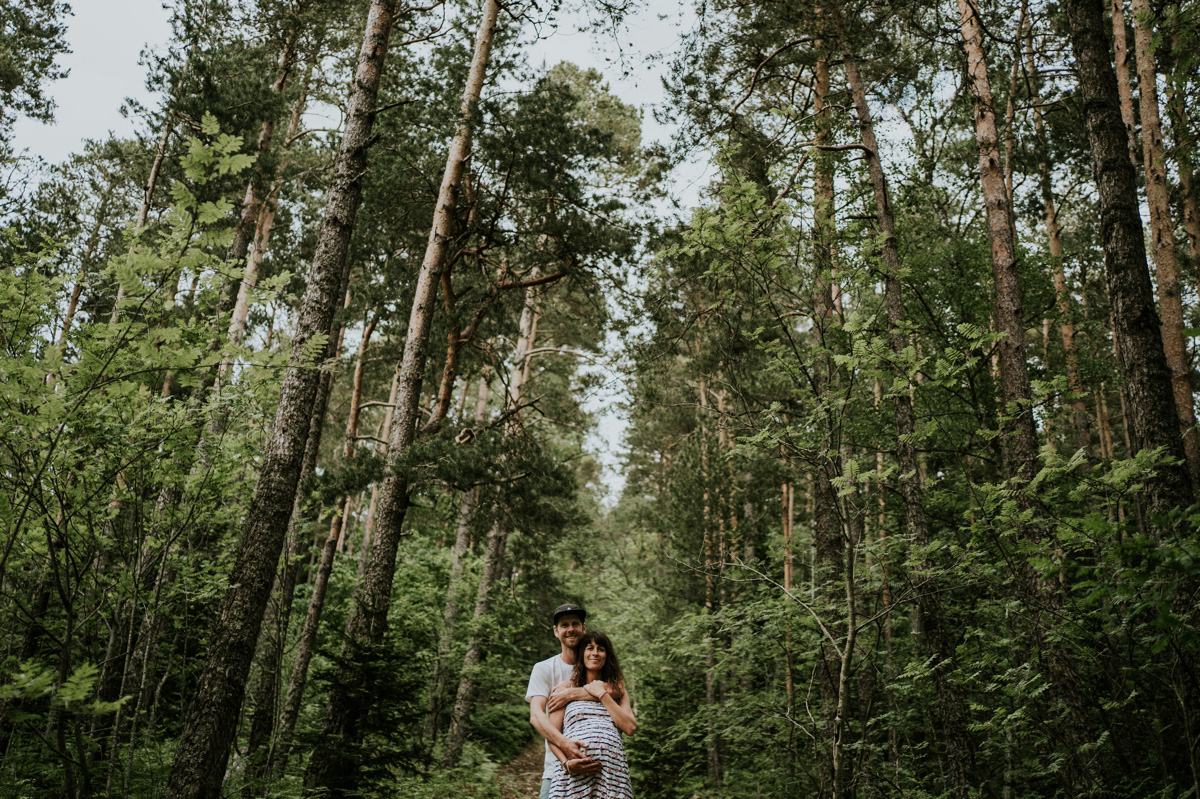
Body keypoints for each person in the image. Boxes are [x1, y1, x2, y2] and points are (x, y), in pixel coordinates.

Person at [545, 631, 636, 799]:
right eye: (589, 648)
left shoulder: (618, 690)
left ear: (606, 655)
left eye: (600, 649)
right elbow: (552, 735)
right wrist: (566, 763)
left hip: (611, 773)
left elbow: (630, 727)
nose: (595, 653)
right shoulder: (565, 688)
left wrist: (602, 695)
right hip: (573, 774)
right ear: (582, 654)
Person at [527, 604, 600, 799]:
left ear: (583, 628)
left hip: (600, 769)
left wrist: (570, 694)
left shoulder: (598, 664)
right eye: (564, 625)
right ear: (556, 631)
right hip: (557, 769)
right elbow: (536, 716)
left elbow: (615, 691)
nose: (570, 629)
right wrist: (564, 744)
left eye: (575, 623)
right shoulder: (544, 669)